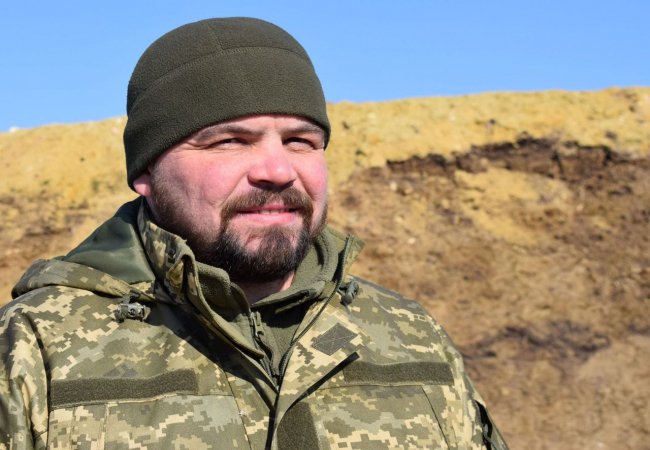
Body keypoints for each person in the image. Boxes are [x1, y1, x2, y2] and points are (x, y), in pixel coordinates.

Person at [0, 17, 508, 450]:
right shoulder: (36, 346)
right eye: (230, 141)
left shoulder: (412, 335)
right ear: (146, 172)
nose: (278, 170)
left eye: (300, 141)